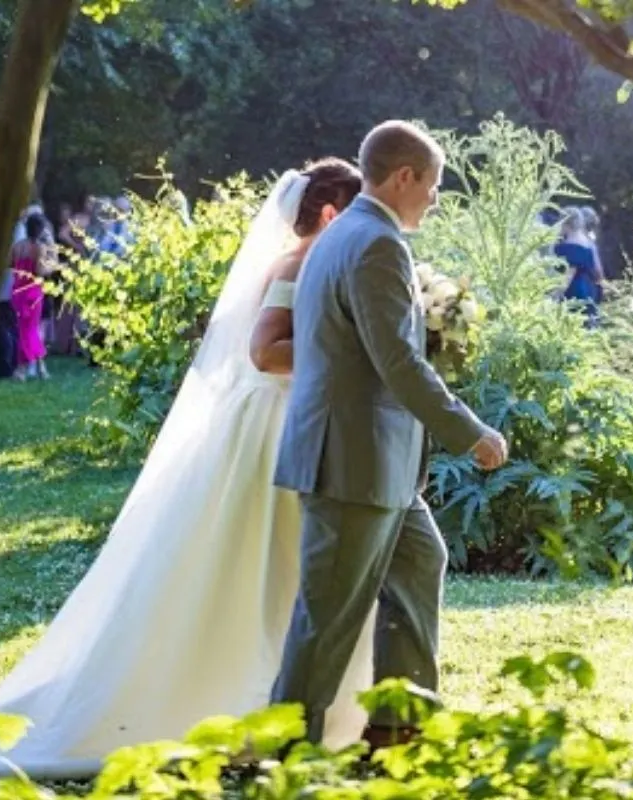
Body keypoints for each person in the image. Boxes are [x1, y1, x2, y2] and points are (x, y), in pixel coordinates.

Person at [0, 161, 369, 779]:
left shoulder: (318, 262)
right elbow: (265, 351)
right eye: (355, 210)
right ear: (329, 214)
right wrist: (348, 353)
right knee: (262, 563)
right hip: (271, 429)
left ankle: (293, 694)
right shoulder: (298, 264)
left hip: (288, 422)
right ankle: (252, 691)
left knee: (287, 567)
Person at [270, 121, 508, 749]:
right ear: (404, 177)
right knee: (327, 619)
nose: (434, 198)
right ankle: (285, 755)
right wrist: (470, 431)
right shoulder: (375, 243)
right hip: (352, 462)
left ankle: (399, 731)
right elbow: (397, 363)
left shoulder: (349, 232)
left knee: (421, 559)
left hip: (383, 465)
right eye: (432, 185)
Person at [10, 214, 57, 380]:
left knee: (25, 330)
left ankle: (37, 368)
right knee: (31, 331)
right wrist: (53, 265)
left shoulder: (17, 246)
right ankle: (23, 369)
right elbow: (40, 271)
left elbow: (10, 264)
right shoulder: (39, 248)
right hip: (33, 291)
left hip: (18, 290)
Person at [553, 207, 603, 325]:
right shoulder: (589, 245)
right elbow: (598, 273)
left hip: (573, 293)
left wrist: (554, 297)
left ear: (564, 223)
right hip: (588, 291)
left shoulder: (570, 246)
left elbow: (567, 277)